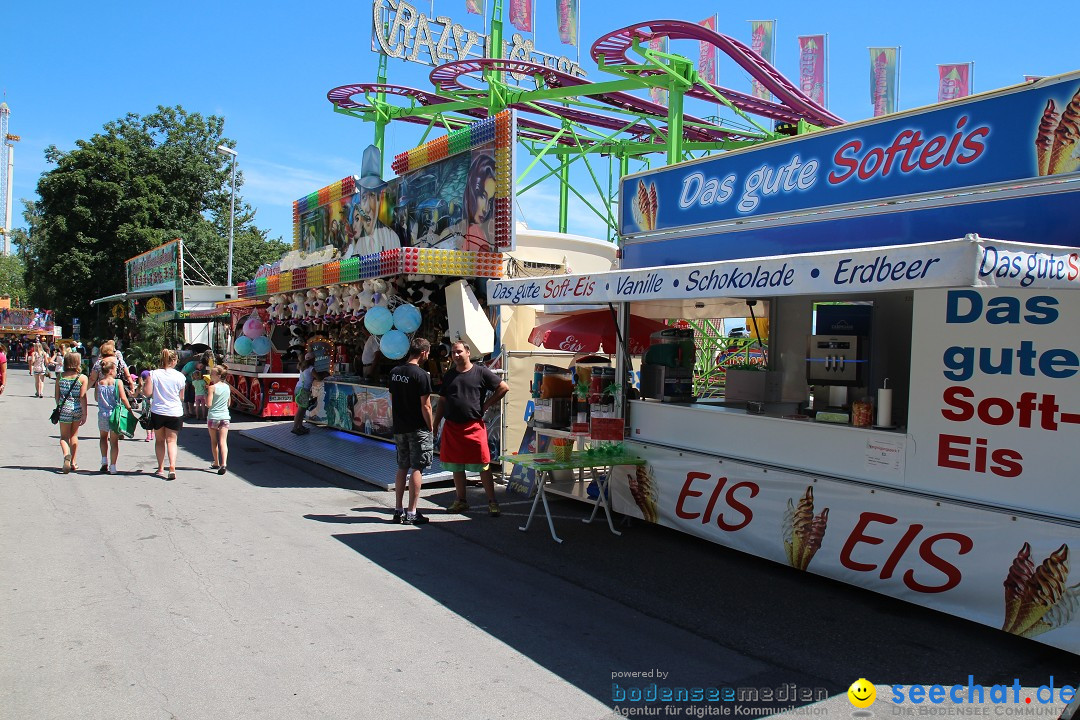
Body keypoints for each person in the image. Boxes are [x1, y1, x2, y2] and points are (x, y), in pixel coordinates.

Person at [431, 341, 509, 516]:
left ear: (467, 352)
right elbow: (442, 400)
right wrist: (436, 424)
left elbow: (503, 387)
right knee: (456, 466)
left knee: (483, 465)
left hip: (474, 426)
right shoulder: (450, 375)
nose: (455, 355)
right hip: (452, 426)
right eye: (453, 353)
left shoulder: (480, 372)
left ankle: (492, 501)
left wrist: (487, 404)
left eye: (459, 351)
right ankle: (461, 501)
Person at [388, 338, 433, 525]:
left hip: (399, 426)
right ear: (423, 353)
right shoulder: (422, 375)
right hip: (417, 427)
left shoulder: (394, 372)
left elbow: (391, 398)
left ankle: (398, 509)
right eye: (428, 353)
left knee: (402, 466)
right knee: (417, 467)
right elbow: (426, 405)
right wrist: (431, 427)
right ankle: (412, 512)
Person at [347, 145, 401, 257]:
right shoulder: (358, 245)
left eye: (371, 196)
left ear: (378, 199)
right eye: (364, 197)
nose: (366, 208)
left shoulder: (392, 238)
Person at [143, 349, 186, 481]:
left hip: (159, 411)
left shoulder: (153, 374)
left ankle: (161, 467)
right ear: (173, 361)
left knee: (160, 441)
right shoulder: (180, 376)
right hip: (175, 411)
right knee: (172, 441)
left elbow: (147, 393)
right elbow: (182, 397)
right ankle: (172, 467)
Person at [94, 358, 133, 475]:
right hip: (114, 415)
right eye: (115, 369)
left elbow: (96, 398)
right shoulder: (118, 382)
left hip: (102, 414)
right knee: (114, 442)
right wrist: (129, 410)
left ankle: (104, 460)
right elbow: (123, 398)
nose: (116, 371)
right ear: (111, 370)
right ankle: (113, 466)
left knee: (103, 438)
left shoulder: (99, 383)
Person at [55, 351, 88, 474]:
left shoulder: (60, 377)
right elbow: (83, 397)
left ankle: (66, 455)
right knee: (74, 435)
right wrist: (85, 413)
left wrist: (60, 407)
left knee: (64, 437)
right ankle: (73, 462)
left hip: (64, 409)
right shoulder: (82, 378)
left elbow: (57, 396)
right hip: (77, 409)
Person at [457, 153, 497, 251]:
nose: (486, 209)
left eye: (490, 200)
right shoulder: (473, 233)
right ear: (472, 192)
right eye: (482, 196)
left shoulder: (478, 234)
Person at [206, 364, 231, 475]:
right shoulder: (227, 387)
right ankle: (224, 464)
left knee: (214, 441)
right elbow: (229, 403)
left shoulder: (212, 387)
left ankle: (216, 462)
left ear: (219, 375)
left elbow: (208, 404)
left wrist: (206, 395)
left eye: (213, 373)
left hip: (213, 417)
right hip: (225, 417)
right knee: (223, 441)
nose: (211, 375)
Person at [292, 353, 315, 435]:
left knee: (302, 409)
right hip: (303, 390)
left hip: (298, 388)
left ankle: (300, 426)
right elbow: (318, 376)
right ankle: (295, 427)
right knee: (301, 410)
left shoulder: (302, 367)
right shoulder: (311, 368)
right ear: (312, 359)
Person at [138, 370, 155, 442]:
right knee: (153, 418)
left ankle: (148, 435)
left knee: (146, 419)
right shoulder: (152, 384)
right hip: (153, 403)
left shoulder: (141, 385)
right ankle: (152, 433)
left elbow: (136, 394)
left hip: (145, 405)